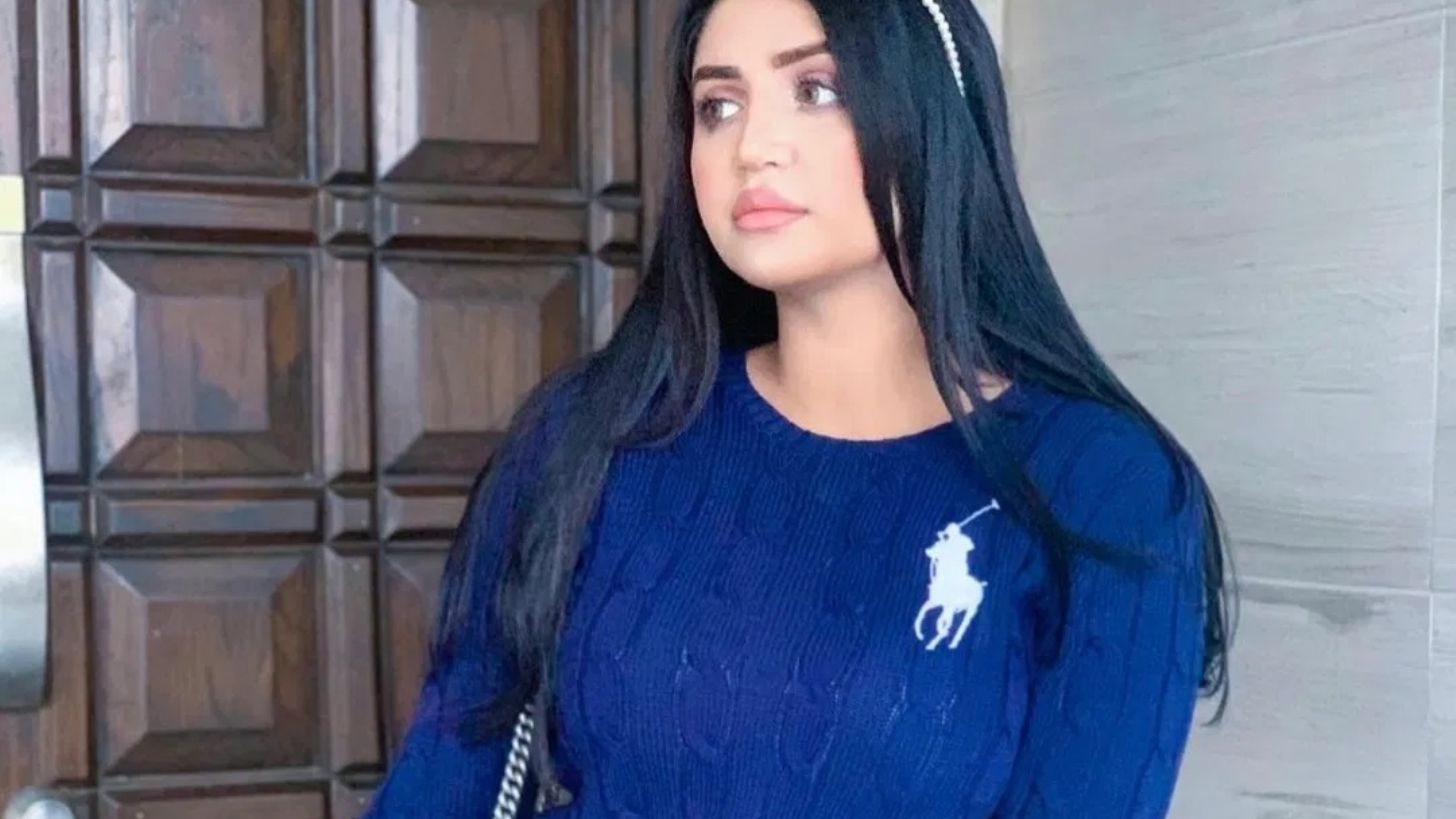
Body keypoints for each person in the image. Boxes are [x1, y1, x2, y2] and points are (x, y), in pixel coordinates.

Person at [362, 0, 1234, 815]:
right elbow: (445, 772)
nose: (754, 147)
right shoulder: (591, 431)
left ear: (932, 111)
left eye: (816, 90)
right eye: (718, 106)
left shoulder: (1106, 488)